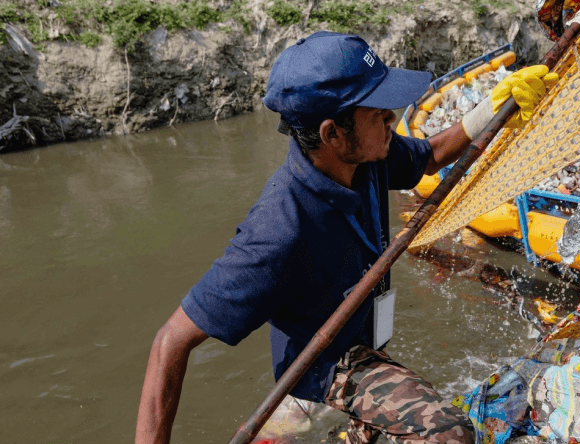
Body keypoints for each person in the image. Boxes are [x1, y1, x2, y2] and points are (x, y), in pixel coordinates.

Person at [135, 31, 557, 444]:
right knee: (448, 432)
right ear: (331, 134)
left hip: (364, 329)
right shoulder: (278, 231)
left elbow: (430, 157)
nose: (391, 118)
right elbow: (171, 341)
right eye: (377, 112)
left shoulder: (369, 154)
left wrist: (493, 107)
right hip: (322, 361)